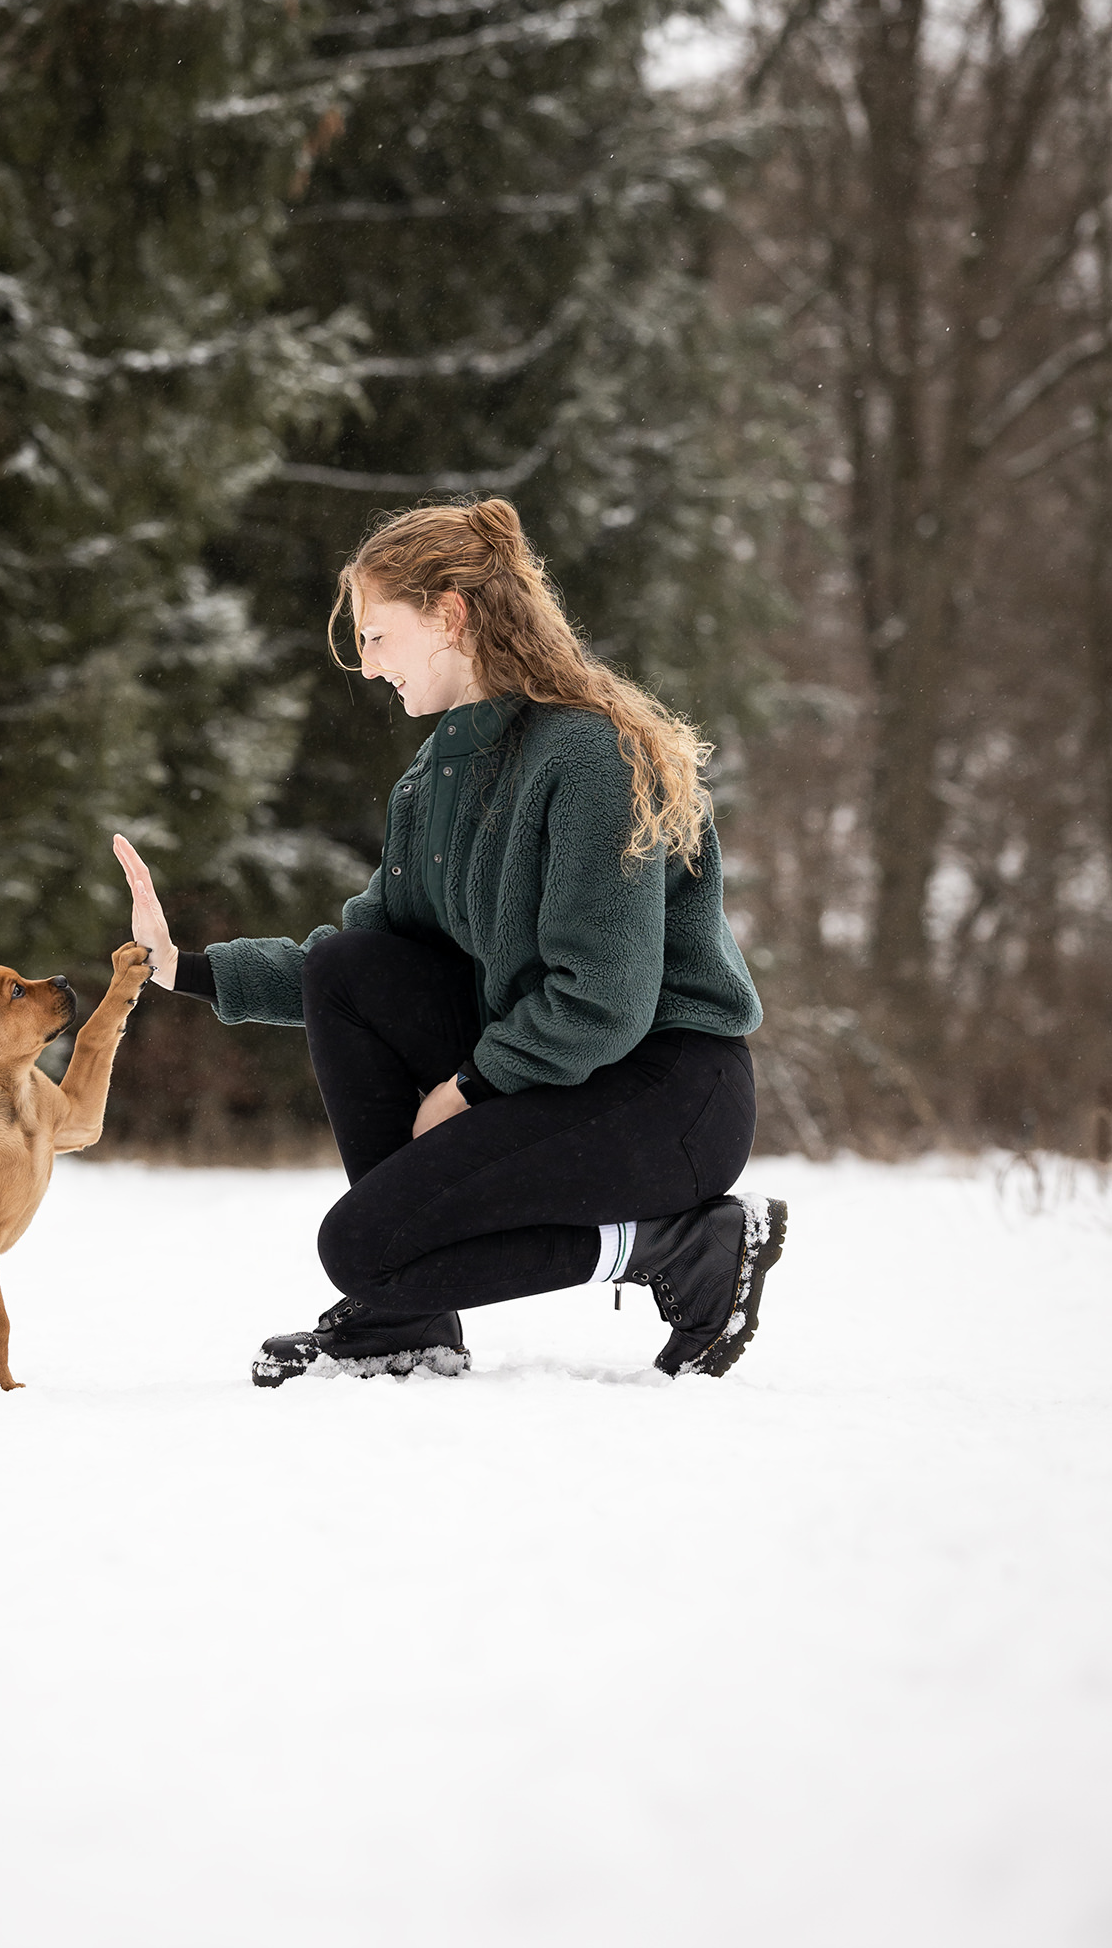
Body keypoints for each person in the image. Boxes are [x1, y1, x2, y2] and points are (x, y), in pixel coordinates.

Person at [112, 496, 783, 1388]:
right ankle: (405, 1319)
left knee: (361, 1248)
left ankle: (678, 1240)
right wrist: (183, 968)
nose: (365, 663)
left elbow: (605, 996)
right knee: (353, 970)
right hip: (560, 1077)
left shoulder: (589, 757)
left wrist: (471, 1086)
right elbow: (354, 965)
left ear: (451, 614)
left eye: (377, 634)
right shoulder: (433, 784)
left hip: (666, 1093)